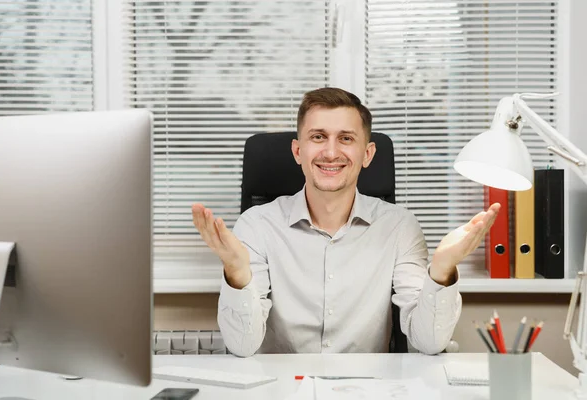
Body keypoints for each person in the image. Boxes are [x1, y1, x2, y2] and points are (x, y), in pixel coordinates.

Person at [192, 87, 500, 357]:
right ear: (298, 151)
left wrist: (442, 270)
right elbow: (242, 346)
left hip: (368, 390)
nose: (330, 152)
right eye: (318, 137)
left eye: (346, 138)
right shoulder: (256, 225)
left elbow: (429, 343)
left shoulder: (400, 226)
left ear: (367, 154)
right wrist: (237, 274)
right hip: (280, 390)